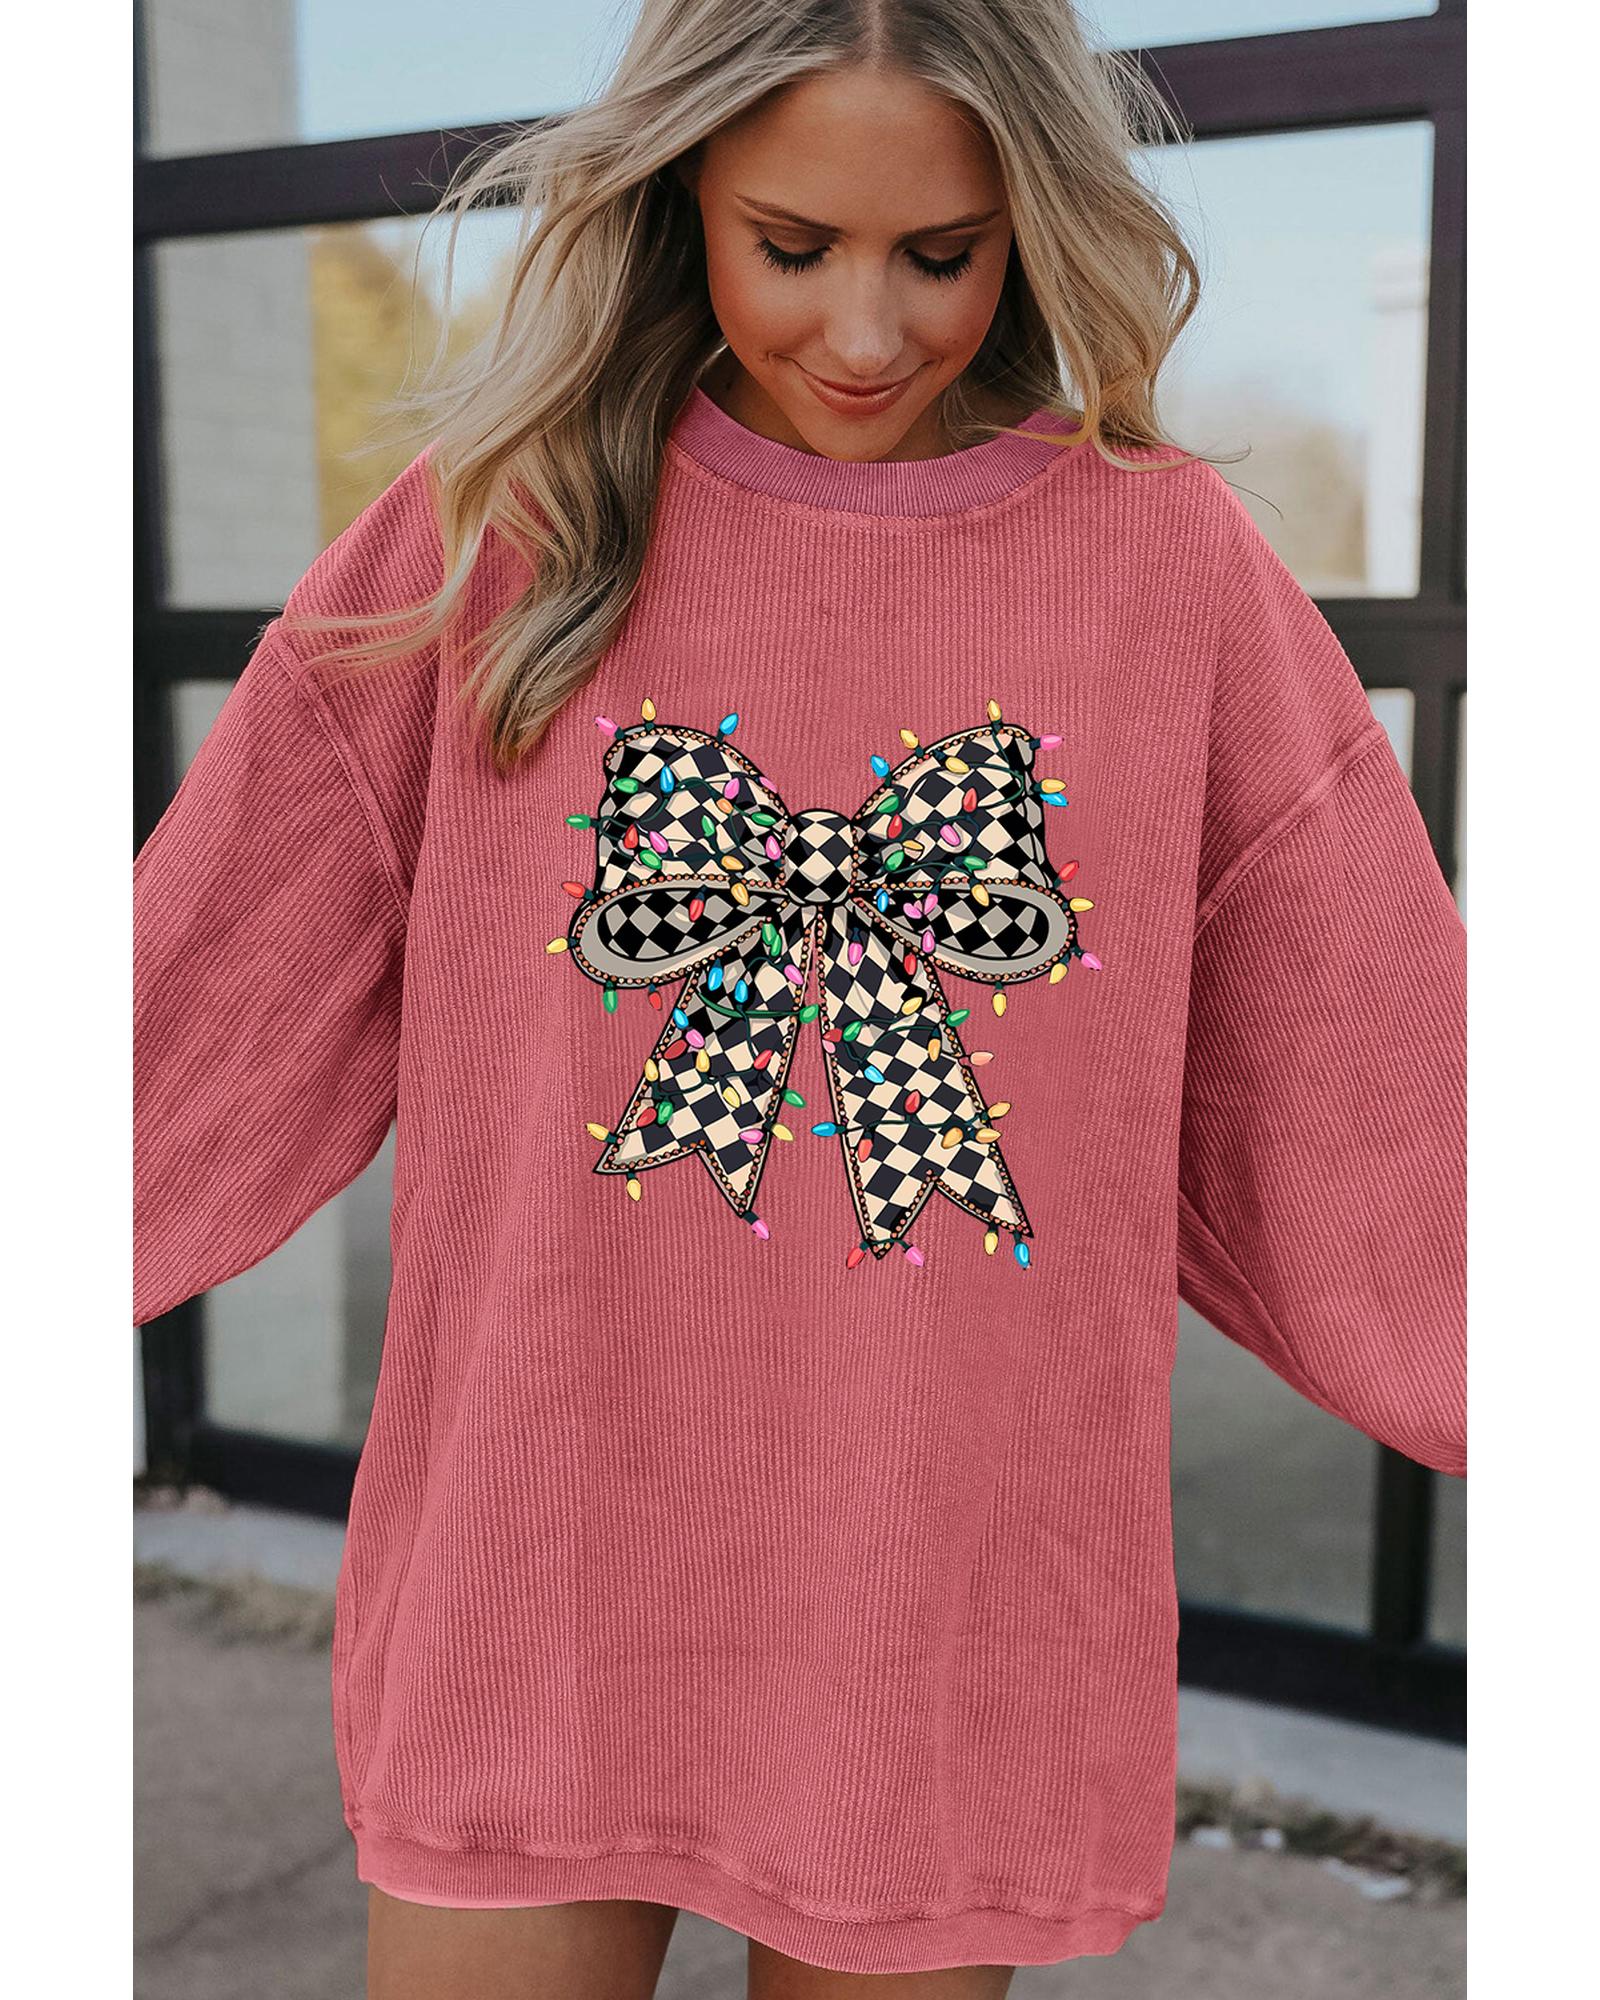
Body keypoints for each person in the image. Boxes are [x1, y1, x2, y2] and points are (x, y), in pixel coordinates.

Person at [132, 2, 1467, 1996]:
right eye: (791, 244)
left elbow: (1378, 1076)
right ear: (678, 198)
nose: (863, 330)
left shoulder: (1162, 566)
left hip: (941, 1594)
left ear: (1029, 224)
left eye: (939, 253)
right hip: (540, 1562)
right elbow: (195, 987)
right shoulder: (504, 531)